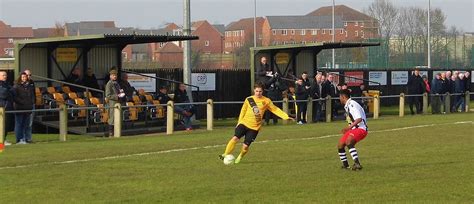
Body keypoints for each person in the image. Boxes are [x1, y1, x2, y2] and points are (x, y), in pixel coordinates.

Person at [219, 83, 294, 164]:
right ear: (254, 91)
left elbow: (275, 109)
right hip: (244, 123)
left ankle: (240, 156)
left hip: (254, 128)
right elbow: (243, 111)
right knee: (235, 138)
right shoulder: (249, 99)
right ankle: (225, 154)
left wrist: (286, 116)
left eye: (260, 91)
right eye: (257, 91)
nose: (258, 93)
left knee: (245, 147)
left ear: (263, 91)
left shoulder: (266, 101)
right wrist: (239, 122)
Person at [337, 89, 368, 170]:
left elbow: (359, 119)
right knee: (340, 145)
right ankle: (345, 165)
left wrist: (348, 128)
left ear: (343, 97)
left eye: (340, 97)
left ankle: (357, 164)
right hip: (353, 129)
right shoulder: (348, 105)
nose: (339, 99)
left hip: (361, 129)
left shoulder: (352, 104)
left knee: (349, 142)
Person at [13, 72, 35, 144]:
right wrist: (22, 102)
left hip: (28, 108)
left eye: (25, 77)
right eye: (22, 77)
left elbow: (32, 95)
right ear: (20, 78)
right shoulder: (16, 86)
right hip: (19, 108)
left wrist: (31, 103)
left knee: (26, 124)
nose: (24, 78)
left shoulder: (30, 86)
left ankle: (26, 139)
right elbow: (15, 97)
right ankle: (19, 139)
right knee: (19, 124)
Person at [105, 70, 125, 137]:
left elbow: (120, 90)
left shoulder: (117, 83)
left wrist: (122, 93)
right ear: (110, 76)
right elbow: (108, 95)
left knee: (118, 117)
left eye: (116, 75)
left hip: (118, 102)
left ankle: (117, 132)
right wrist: (117, 96)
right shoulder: (109, 84)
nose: (115, 76)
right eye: (113, 75)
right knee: (112, 118)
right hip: (112, 103)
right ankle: (111, 133)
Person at [0, 71, 14, 146]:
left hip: (8, 107)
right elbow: (3, 94)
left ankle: (3, 139)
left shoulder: (7, 84)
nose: (5, 76)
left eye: (5, 75)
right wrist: (9, 91)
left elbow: (14, 93)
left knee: (7, 125)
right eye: (3, 75)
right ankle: (1, 141)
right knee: (2, 125)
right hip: (2, 107)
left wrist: (9, 91)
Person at [23, 69, 35, 143]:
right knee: (24, 122)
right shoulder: (20, 83)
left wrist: (34, 102)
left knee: (30, 123)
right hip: (23, 105)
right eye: (27, 75)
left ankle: (29, 138)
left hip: (31, 104)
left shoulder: (32, 82)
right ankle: (23, 138)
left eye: (30, 75)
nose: (28, 76)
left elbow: (33, 93)